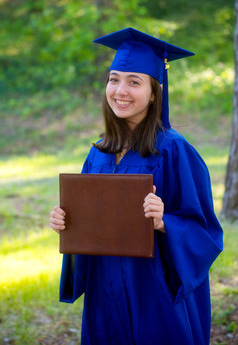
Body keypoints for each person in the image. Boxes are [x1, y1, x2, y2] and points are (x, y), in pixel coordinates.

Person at [49, 28, 223, 345]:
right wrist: (66, 221)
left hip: (154, 286)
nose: (120, 90)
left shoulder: (173, 149)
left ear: (154, 93)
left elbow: (205, 230)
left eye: (134, 81)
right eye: (114, 79)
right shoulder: (99, 151)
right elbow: (89, 218)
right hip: (105, 284)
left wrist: (164, 221)